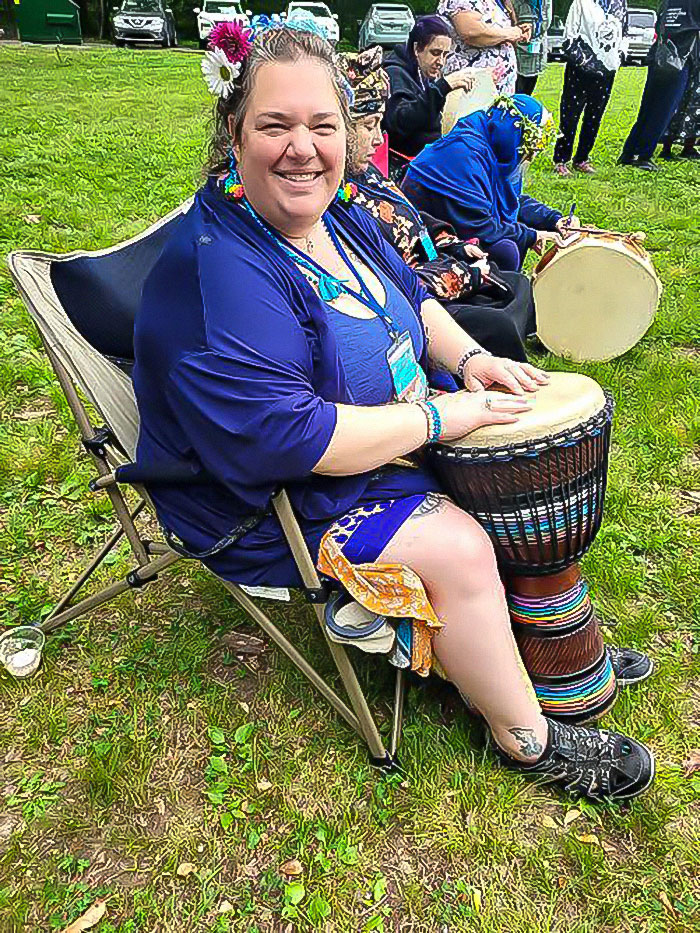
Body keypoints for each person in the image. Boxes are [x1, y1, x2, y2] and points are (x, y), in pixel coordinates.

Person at [133, 22, 655, 801]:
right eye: (275, 125)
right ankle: (530, 739)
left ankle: (553, 650)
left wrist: (473, 364)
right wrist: (446, 420)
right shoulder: (227, 268)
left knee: (515, 460)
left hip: (376, 431)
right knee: (463, 547)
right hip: (272, 495)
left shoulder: (333, 212)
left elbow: (412, 295)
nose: (302, 147)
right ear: (234, 133)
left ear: (347, 133)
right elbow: (293, 436)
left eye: (322, 126)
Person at [347, 46, 536, 361]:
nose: (380, 139)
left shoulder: (368, 175)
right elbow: (393, 276)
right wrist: (466, 274)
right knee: (497, 319)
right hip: (419, 293)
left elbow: (413, 218)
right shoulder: (342, 199)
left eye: (380, 125)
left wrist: (453, 245)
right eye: (369, 126)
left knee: (517, 283)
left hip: (435, 263)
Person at [402, 95, 576, 272]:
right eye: (528, 151)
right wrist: (532, 235)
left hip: (459, 225)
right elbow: (482, 227)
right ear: (513, 137)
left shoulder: (492, 144)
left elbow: (509, 199)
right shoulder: (464, 155)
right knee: (505, 251)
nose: (530, 157)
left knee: (508, 243)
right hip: (425, 241)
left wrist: (553, 219)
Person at [619, 0, 700, 171]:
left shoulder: (669, 2)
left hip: (659, 55)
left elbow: (659, 26)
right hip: (680, 59)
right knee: (664, 110)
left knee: (648, 107)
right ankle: (642, 155)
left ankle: (629, 152)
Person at [383, 15, 476, 158]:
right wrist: (443, 87)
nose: (441, 62)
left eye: (445, 55)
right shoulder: (395, 73)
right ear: (416, 49)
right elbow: (401, 123)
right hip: (405, 163)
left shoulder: (423, 73)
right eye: (435, 53)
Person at [553, 0, 627, 176]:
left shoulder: (620, 4)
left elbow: (624, 34)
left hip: (607, 72)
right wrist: (589, 63)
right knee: (570, 116)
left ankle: (582, 158)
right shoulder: (581, 3)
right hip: (580, 69)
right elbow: (569, 37)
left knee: (595, 117)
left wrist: (619, 57)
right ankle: (561, 160)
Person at [438, 0, 529, 95]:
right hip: (470, 88)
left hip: (493, 88)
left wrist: (518, 31)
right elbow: (472, 33)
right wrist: (510, 33)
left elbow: (494, 29)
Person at [660, 56, 700, 159]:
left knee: (678, 105)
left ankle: (668, 147)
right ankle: (687, 148)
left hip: (685, 64)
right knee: (692, 107)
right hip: (691, 66)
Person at [511, 0, 554, 95]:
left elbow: (545, 23)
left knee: (527, 91)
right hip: (516, 53)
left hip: (536, 52)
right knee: (516, 94)